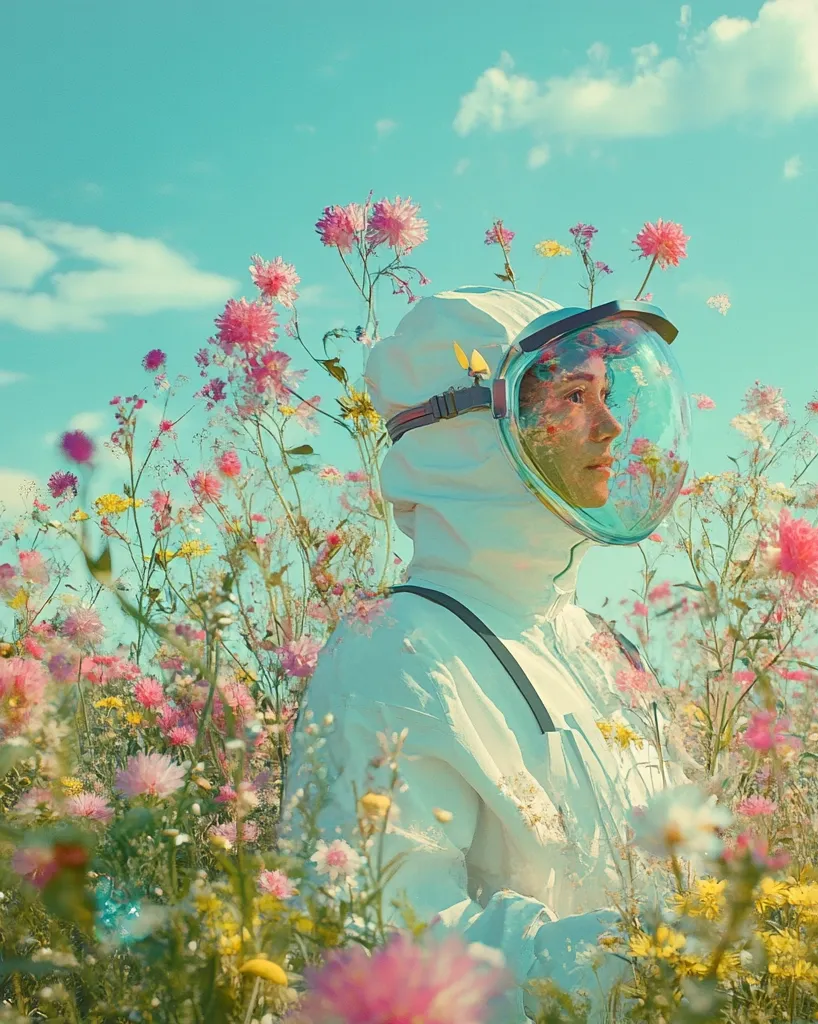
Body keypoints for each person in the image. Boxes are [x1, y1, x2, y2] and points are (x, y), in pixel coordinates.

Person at [283, 286, 693, 1022]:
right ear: (468, 430)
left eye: (606, 394)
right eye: (572, 395)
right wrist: (654, 962)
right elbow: (391, 947)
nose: (610, 426)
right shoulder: (398, 653)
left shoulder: (593, 643)